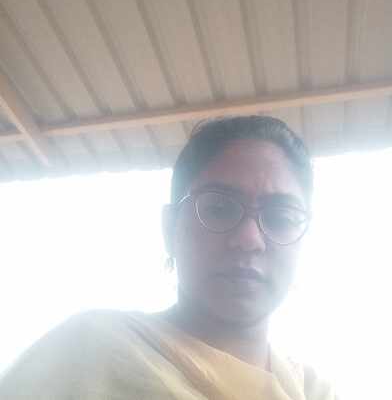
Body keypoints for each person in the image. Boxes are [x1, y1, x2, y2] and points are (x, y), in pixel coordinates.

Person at [0, 115, 336, 399]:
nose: (249, 239)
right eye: (218, 208)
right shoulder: (85, 356)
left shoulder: (313, 391)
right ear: (169, 228)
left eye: (280, 218)